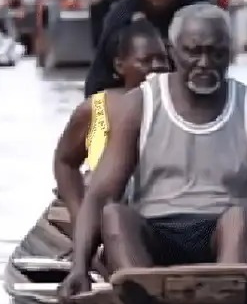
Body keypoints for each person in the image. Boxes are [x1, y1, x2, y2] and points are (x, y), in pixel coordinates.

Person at [57, 3, 247, 304]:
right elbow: (101, 195)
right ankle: (144, 303)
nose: (205, 63)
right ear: (173, 51)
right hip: (156, 235)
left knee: (240, 219)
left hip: (226, 240)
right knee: (114, 215)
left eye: (217, 53)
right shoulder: (139, 106)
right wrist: (79, 266)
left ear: (230, 52)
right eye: (193, 52)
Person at [53, 17, 169, 229]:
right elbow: (65, 162)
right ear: (119, 65)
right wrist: (79, 213)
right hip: (109, 218)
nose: (157, 67)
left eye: (162, 59)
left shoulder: (179, 108)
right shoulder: (95, 109)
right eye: (146, 60)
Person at [83, 0, 207, 97]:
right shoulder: (120, 17)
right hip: (135, 99)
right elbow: (99, 78)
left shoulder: (201, 13)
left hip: (191, 96)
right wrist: (103, 116)